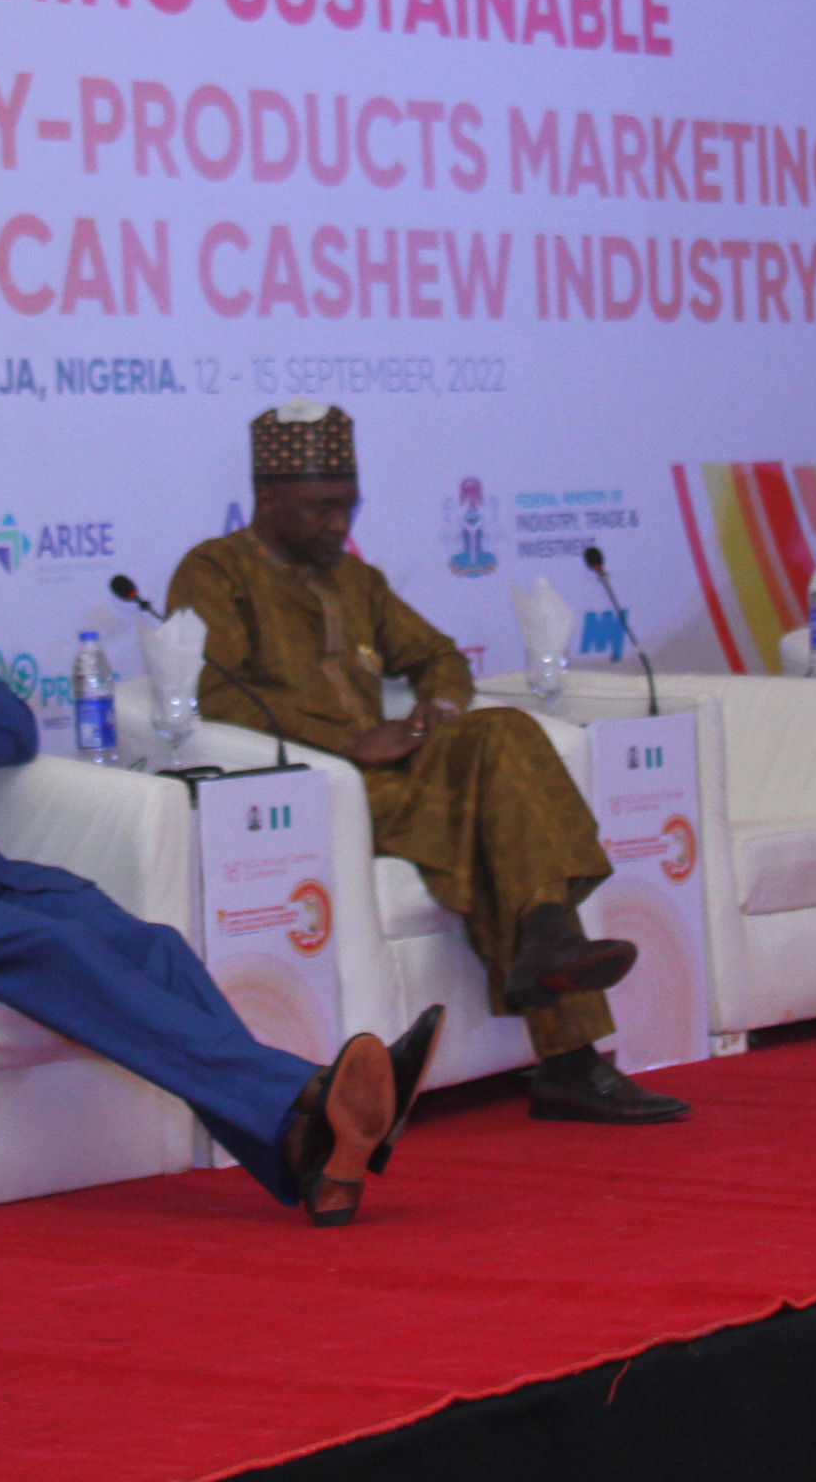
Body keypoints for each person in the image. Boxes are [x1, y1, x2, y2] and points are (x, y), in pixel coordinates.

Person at [0, 570, 439, 1225]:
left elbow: (12, 728)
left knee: (154, 945)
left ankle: (308, 1147)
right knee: (57, 947)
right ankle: (314, 1089)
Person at [167, 404, 689, 1126]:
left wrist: (430, 716)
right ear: (269, 499)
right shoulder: (214, 572)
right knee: (503, 827)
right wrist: (349, 743)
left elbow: (440, 657)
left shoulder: (356, 580)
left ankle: (547, 934)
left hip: (395, 771)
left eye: (348, 506)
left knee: (503, 732)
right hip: (321, 790)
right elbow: (219, 696)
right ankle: (570, 1053)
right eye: (320, 508)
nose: (338, 525)